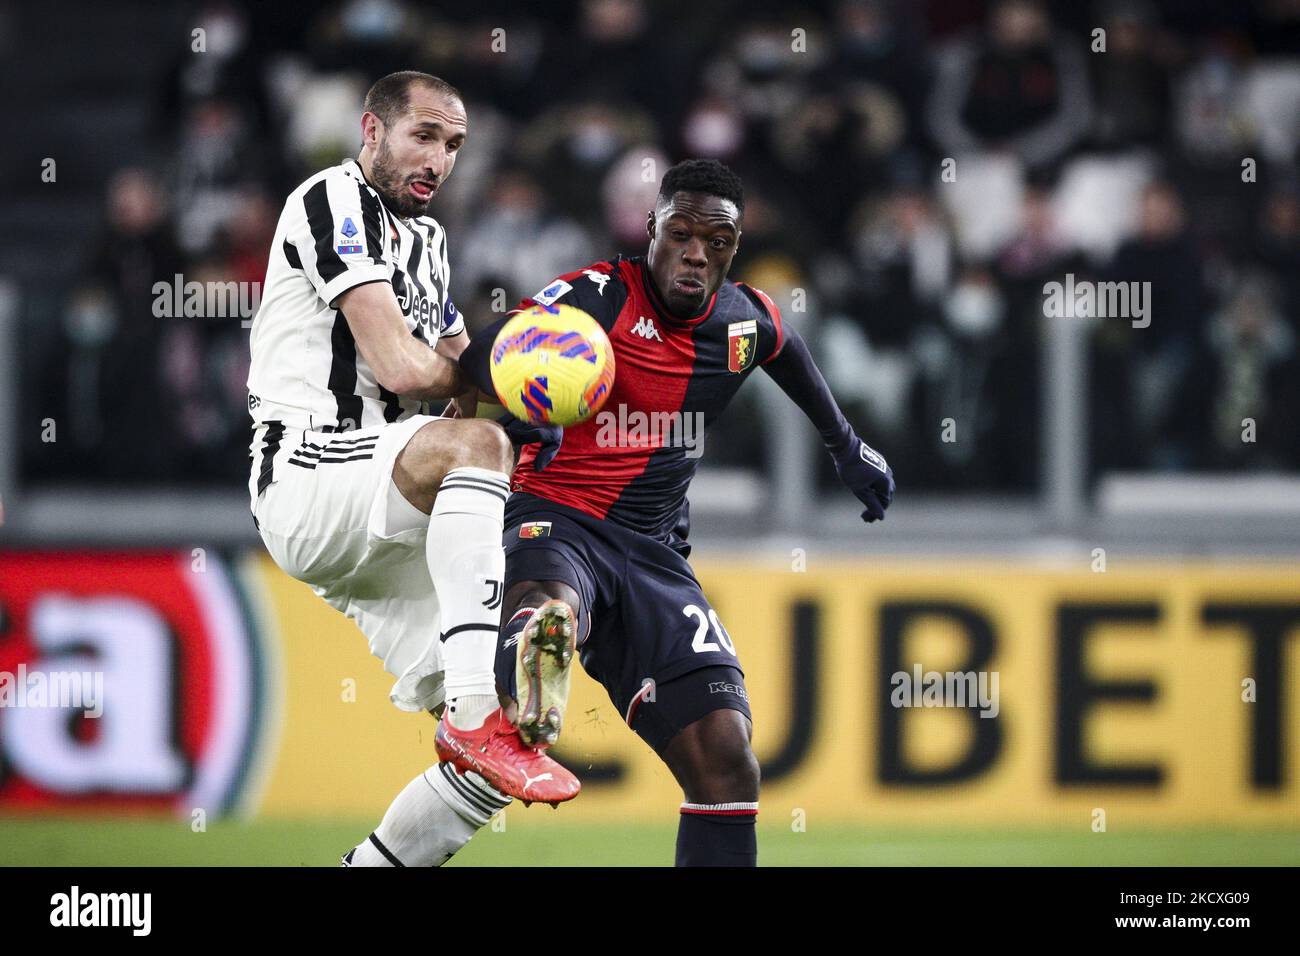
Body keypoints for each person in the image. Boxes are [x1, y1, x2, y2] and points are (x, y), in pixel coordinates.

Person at [458, 158, 896, 866]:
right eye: (682, 234)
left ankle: (544, 642)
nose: (697, 254)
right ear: (652, 228)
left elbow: (787, 351)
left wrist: (846, 447)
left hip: (656, 555)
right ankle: (537, 645)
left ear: (733, 249)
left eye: (716, 242)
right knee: (553, 600)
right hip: (556, 513)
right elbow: (485, 353)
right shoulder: (594, 297)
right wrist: (515, 402)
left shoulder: (742, 320)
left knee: (727, 761)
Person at [245, 70, 578, 869]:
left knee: (510, 744)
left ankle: (442, 770)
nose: (440, 158)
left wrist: (547, 389)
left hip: (388, 507)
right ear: (371, 130)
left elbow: (467, 367)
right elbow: (400, 365)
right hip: (308, 473)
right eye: (424, 135)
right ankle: (468, 712)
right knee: (477, 449)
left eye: (455, 144)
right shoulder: (331, 199)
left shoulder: (428, 241)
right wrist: (500, 382)